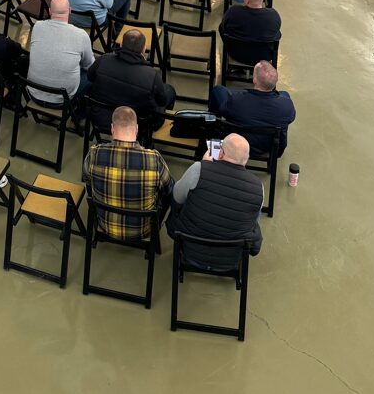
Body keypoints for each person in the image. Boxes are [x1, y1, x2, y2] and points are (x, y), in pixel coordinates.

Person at [170, 133, 263, 271]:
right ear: (247, 159)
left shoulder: (199, 169)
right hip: (230, 259)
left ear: (221, 153)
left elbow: (177, 196)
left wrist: (204, 165)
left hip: (191, 250)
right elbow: (253, 221)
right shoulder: (258, 187)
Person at [83, 105, 173, 244]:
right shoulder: (154, 159)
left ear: (112, 128)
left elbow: (87, 182)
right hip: (143, 231)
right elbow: (170, 191)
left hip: (105, 226)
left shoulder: (94, 154)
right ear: (136, 129)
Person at [86, 30, 176, 130]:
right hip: (135, 125)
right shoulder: (151, 75)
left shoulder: (103, 59)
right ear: (144, 49)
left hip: (100, 118)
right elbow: (162, 101)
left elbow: (90, 77)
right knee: (169, 90)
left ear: (121, 44)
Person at [210, 61, 296, 156]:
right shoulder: (286, 106)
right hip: (266, 147)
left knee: (218, 90)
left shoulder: (237, 100)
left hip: (236, 144)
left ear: (254, 80)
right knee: (284, 94)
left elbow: (223, 110)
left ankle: (211, 130)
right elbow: (289, 119)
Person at [27, 0, 94, 107]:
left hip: (33, 93)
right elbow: (89, 66)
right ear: (70, 11)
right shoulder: (81, 35)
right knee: (92, 74)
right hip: (62, 101)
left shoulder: (37, 26)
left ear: (49, 11)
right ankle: (80, 111)